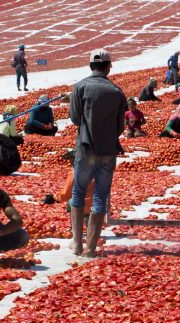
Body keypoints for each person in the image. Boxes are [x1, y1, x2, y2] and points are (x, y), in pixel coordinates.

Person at [69, 49, 127, 257]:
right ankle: (90, 248)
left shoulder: (80, 87)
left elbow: (75, 118)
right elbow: (121, 127)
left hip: (85, 149)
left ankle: (76, 243)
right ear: (108, 67)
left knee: (78, 192)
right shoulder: (117, 92)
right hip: (107, 150)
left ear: (91, 66)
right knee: (100, 196)